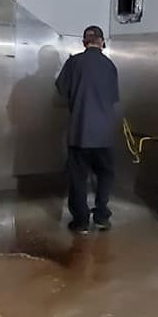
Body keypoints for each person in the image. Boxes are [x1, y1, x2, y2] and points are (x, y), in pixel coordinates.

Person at [54, 25, 119, 233]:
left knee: (78, 177)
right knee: (105, 175)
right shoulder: (110, 66)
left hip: (80, 131)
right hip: (104, 133)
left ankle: (81, 221)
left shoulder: (74, 63)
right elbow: (112, 98)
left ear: (84, 41)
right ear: (102, 41)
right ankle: (101, 216)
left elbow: (61, 89)